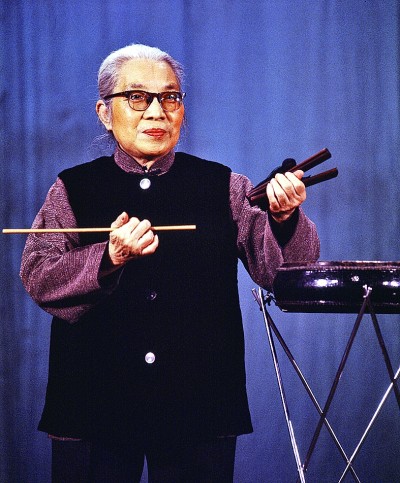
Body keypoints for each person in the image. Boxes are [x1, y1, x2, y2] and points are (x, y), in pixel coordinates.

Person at [20, 43, 320, 482]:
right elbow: (38, 276)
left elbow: (287, 275)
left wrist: (285, 218)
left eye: (170, 97)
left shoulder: (226, 186)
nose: (157, 112)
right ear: (104, 113)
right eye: (137, 97)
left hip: (199, 405)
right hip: (92, 402)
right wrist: (108, 256)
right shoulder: (72, 188)